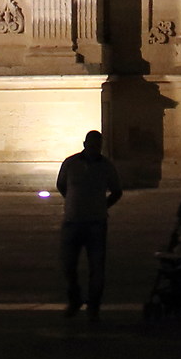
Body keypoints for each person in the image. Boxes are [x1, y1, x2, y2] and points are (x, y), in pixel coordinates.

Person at [55, 129, 124, 318]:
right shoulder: (70, 163)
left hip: (95, 222)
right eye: (92, 145)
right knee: (68, 265)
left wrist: (102, 207)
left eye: (97, 146)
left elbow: (117, 190)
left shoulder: (106, 166)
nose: (95, 149)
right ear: (85, 145)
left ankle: (93, 306)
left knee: (97, 268)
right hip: (73, 221)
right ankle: (75, 299)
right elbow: (61, 185)